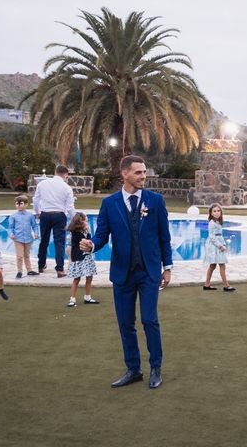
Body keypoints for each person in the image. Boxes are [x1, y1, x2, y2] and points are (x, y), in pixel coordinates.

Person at [80, 155, 172, 390]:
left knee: (149, 320)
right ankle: (133, 369)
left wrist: (167, 267)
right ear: (125, 174)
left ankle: (156, 368)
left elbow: (164, 237)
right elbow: (101, 236)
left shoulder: (156, 201)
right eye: (139, 172)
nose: (144, 176)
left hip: (149, 271)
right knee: (125, 323)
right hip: (122, 273)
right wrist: (91, 245)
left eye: (144, 172)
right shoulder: (109, 204)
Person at [33, 165, 75, 277]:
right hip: (59, 216)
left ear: (55, 172)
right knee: (59, 243)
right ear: (66, 175)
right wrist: (75, 218)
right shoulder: (67, 188)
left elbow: (36, 200)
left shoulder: (42, 184)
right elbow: (70, 207)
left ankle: (41, 265)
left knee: (44, 241)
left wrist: (37, 213)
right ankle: (60, 270)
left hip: (45, 215)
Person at [66, 212, 99, 307]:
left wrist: (88, 233)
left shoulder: (85, 231)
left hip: (86, 257)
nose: (87, 222)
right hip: (78, 258)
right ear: (80, 221)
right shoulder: (75, 233)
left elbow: (89, 241)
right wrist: (88, 237)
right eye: (86, 221)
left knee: (89, 277)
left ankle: (87, 297)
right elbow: (84, 242)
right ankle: (72, 299)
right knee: (77, 278)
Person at [202, 203, 235, 292]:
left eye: (218, 211)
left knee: (213, 266)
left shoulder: (218, 222)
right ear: (211, 213)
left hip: (218, 244)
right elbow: (212, 237)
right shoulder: (212, 223)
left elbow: (220, 235)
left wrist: (223, 244)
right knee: (221, 265)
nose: (217, 213)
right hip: (214, 246)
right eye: (214, 211)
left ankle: (207, 285)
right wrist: (220, 246)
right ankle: (226, 285)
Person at [8, 194, 39, 279]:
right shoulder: (13, 216)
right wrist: (11, 234)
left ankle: (29, 270)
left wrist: (36, 233)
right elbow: (10, 228)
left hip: (28, 239)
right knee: (19, 256)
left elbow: (34, 226)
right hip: (18, 239)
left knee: (27, 255)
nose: (18, 205)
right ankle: (19, 271)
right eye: (17, 203)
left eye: (20, 203)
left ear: (26, 204)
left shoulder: (30, 216)